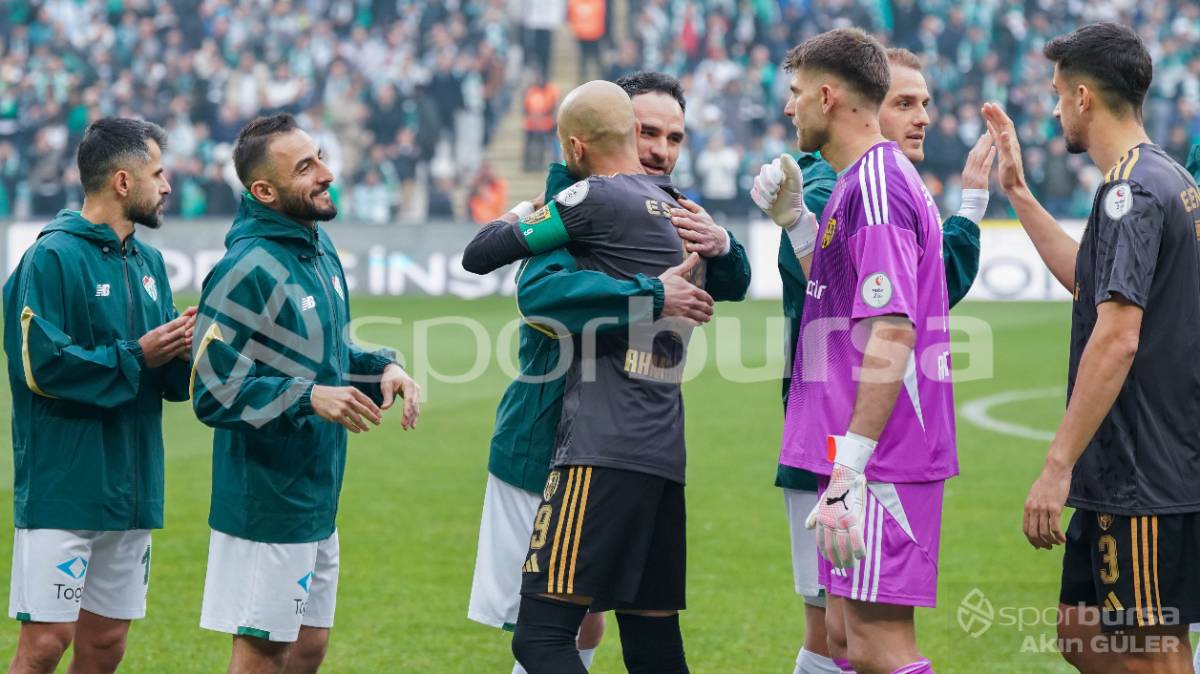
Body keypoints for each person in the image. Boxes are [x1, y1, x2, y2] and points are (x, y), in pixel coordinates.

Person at [463, 71, 749, 674]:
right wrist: (660, 289)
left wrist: (725, 246)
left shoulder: (628, 203)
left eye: (675, 138)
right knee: (620, 638)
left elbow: (486, 258)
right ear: (618, 128)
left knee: (546, 634)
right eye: (647, 132)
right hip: (608, 444)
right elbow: (542, 290)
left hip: (597, 442)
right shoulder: (628, 204)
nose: (661, 151)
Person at [753, 46, 993, 674]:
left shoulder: (880, 185)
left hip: (884, 456)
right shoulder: (858, 183)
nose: (788, 107)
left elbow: (889, 330)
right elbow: (837, 304)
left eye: (797, 92)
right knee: (842, 637)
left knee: (879, 646)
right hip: (860, 449)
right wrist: (797, 225)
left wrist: (850, 470)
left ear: (828, 97)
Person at [983, 23, 1200, 673]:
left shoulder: (1129, 192)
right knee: (1080, 633)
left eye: (1056, 94)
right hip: (1140, 465)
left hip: (1140, 467)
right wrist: (1018, 193)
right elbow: (1091, 283)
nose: (1052, 110)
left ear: (1083, 96)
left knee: (1150, 655)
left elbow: (1117, 337)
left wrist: (1057, 464)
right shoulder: (1165, 177)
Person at [190, 113, 421, 674]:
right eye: (306, 167)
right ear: (263, 191)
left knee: (309, 648)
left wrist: (380, 369)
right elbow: (211, 391)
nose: (327, 173)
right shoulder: (246, 267)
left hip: (317, 489)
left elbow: (327, 352)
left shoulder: (316, 248)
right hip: (266, 498)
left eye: (319, 156)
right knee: (266, 651)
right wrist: (306, 397)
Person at [2, 117, 196, 673]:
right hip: (65, 484)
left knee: (107, 642)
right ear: (121, 181)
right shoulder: (52, 257)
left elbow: (161, 375)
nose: (167, 186)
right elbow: (41, 365)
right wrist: (141, 354)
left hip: (132, 485)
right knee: (44, 644)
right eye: (157, 174)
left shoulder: (150, 262)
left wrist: (182, 350)